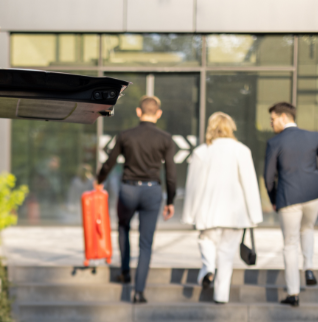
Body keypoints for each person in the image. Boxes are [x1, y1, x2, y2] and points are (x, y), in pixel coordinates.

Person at [97, 95, 176, 303]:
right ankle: (139, 291)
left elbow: (109, 162)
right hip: (152, 191)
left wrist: (99, 180)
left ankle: (125, 272)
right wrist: (171, 200)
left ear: (138, 112)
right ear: (158, 114)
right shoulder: (166, 139)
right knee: (146, 243)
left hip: (128, 190)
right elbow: (171, 174)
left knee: (123, 228)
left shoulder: (125, 135)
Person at [182, 112, 263, 303]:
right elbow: (249, 184)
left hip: (208, 210)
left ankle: (208, 267)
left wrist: (188, 214)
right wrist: (254, 215)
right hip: (235, 214)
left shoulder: (202, 152)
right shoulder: (241, 150)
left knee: (206, 241)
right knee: (227, 255)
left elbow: (193, 186)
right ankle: (221, 296)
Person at [264, 101, 318, 307]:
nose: (271, 124)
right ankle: (309, 267)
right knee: (308, 229)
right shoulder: (312, 136)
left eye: (273, 119)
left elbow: (268, 177)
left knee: (289, 244)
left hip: (288, 197)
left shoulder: (275, 143)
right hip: (314, 195)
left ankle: (293, 293)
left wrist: (273, 199)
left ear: (284, 117)